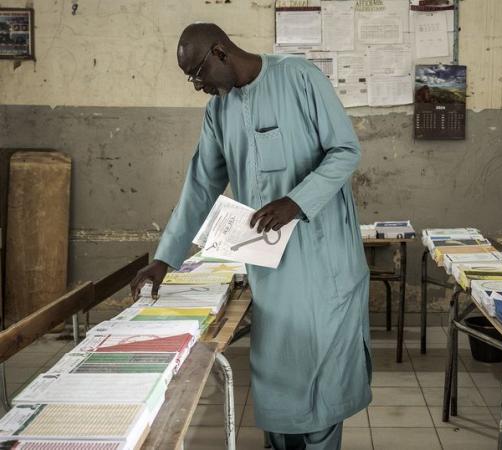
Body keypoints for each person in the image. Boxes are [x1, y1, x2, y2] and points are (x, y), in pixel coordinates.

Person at [129, 23, 371, 450]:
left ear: (220, 52)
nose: (198, 85)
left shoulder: (299, 77)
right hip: (272, 267)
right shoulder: (218, 112)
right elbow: (201, 185)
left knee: (321, 378)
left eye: (198, 73)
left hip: (323, 257)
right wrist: (165, 258)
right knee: (278, 379)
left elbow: (345, 150)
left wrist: (295, 201)